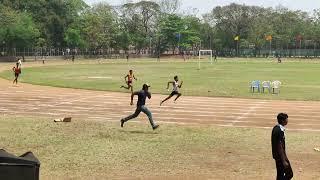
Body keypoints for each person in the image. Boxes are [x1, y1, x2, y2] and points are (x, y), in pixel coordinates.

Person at [271, 113, 293, 180]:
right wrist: (284, 160)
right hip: (280, 157)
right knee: (289, 174)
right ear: (283, 121)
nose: (287, 121)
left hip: (278, 156)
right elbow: (279, 146)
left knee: (280, 174)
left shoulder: (276, 128)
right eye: (286, 119)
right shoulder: (279, 131)